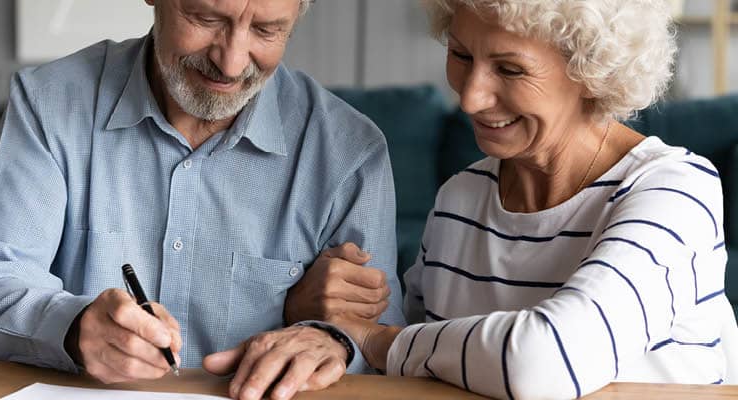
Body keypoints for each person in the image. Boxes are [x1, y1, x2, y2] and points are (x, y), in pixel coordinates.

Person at [0, 0, 405, 399]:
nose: (231, 62)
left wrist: (332, 338)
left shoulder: (350, 152)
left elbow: (383, 346)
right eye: (206, 18)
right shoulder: (49, 104)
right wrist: (71, 328)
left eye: (266, 29)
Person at [285, 0, 738, 398]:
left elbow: (549, 361)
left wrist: (374, 339)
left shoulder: (675, 191)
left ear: (591, 69)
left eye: (510, 69)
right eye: (460, 54)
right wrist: (320, 316)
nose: (471, 98)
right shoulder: (460, 199)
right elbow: (422, 361)